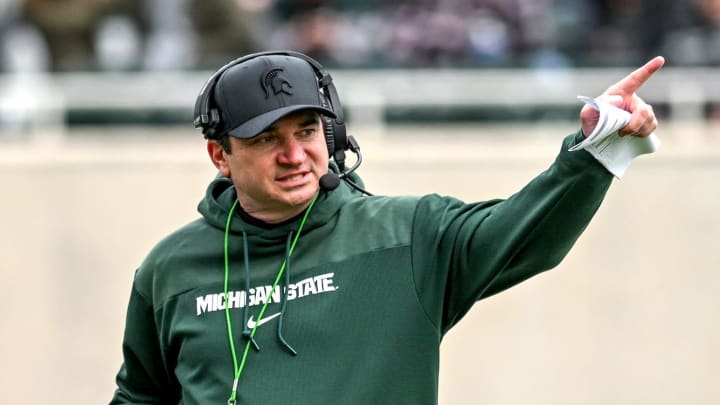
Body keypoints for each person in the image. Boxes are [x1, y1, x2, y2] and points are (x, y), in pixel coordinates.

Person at [110, 51, 664, 404]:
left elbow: (524, 235)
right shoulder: (169, 269)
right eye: (264, 140)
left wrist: (595, 151)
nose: (294, 155)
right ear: (219, 155)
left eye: (307, 131)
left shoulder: (408, 233)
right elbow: (140, 396)